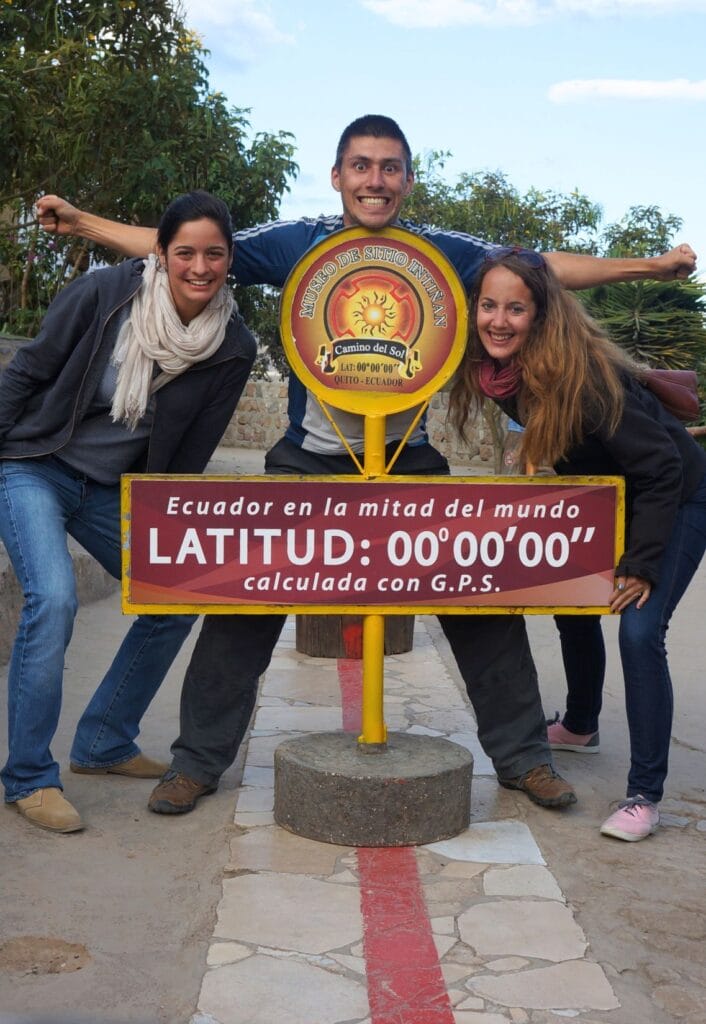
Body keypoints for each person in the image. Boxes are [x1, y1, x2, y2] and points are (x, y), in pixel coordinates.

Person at [36, 114, 698, 818]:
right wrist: (81, 224)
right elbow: (183, 246)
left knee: (483, 588)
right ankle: (197, 762)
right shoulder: (301, 240)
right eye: (361, 165)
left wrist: (648, 266)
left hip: (408, 457)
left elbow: (542, 270)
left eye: (388, 167)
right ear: (337, 176)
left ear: (408, 180)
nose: (374, 180)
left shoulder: (440, 249)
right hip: (310, 459)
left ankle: (525, 759)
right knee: (240, 595)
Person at [0, 191, 256, 833]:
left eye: (214, 254)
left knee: (176, 598)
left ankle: (103, 742)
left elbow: (189, 458)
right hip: (36, 464)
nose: (200, 267)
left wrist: (173, 545)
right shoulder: (105, 295)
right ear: (161, 253)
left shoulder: (232, 347)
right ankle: (29, 777)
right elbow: (26, 372)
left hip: (115, 491)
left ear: (229, 260)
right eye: (185, 252)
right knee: (53, 599)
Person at [449, 246, 706, 841]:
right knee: (571, 596)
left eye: (516, 309)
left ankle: (644, 795)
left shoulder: (582, 378)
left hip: (677, 491)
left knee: (640, 629)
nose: (499, 320)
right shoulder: (496, 369)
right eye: (489, 305)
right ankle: (582, 724)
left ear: (541, 315)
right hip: (607, 494)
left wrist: (640, 564)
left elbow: (662, 468)